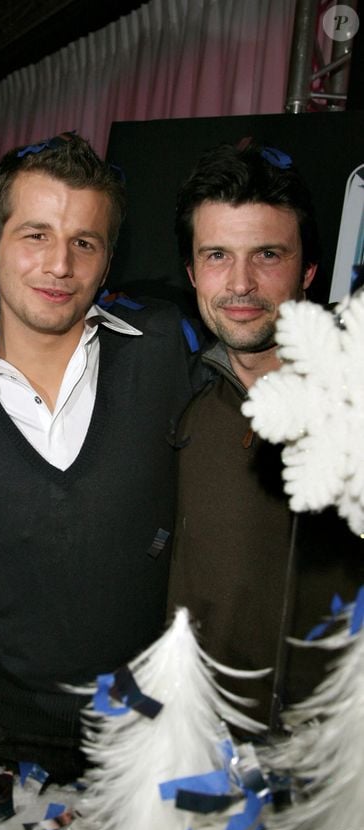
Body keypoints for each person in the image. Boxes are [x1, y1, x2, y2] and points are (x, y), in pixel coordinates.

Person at [0, 132, 205, 780]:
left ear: (108, 262)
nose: (60, 265)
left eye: (85, 242)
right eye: (36, 235)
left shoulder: (166, 350)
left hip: (146, 745)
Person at [167, 141, 364, 731]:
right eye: (218, 255)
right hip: (200, 752)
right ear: (192, 272)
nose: (242, 283)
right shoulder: (179, 400)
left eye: (268, 254)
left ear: (308, 270)